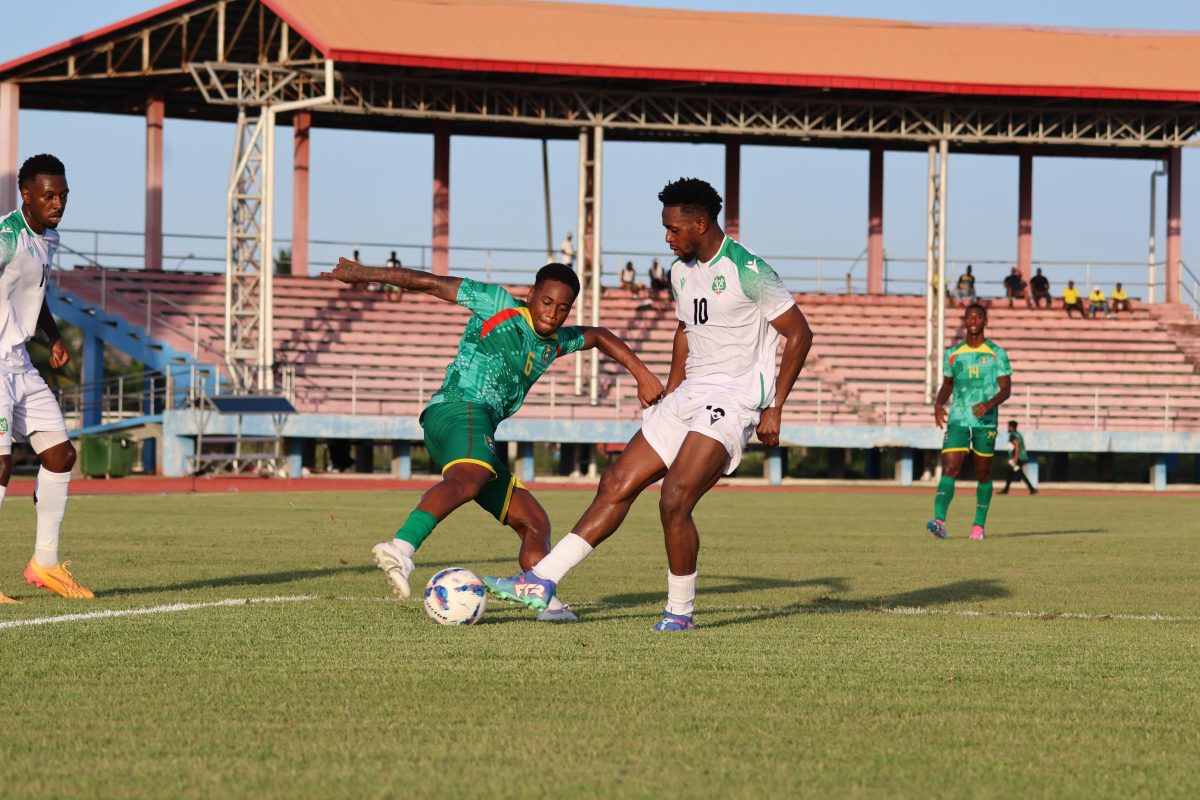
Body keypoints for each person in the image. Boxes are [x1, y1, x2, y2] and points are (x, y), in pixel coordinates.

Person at [484, 177, 814, 631]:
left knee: (674, 497)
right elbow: (686, 333)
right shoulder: (681, 273)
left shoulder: (748, 270)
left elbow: (799, 333)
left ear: (700, 224)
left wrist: (775, 405)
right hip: (690, 394)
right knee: (616, 481)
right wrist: (670, 395)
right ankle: (541, 580)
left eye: (674, 229)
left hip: (733, 400)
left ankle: (679, 613)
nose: (667, 237)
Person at [321, 258, 664, 623]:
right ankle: (401, 547)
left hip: (469, 428)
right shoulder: (498, 303)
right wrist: (364, 274)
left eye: (563, 308)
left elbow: (598, 336)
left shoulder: (555, 342)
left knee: (534, 522)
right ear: (531, 295)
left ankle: (542, 597)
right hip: (459, 409)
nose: (553, 314)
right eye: (546, 302)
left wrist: (641, 373)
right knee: (469, 480)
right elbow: (432, 283)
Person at [0, 154, 91, 604]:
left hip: (18, 361)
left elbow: (36, 292)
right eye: (49, 195)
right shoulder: (5, 235)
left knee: (59, 454)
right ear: (26, 195)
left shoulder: (47, 238)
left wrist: (52, 336)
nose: (58, 203)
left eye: (63, 196)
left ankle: (46, 563)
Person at [927, 303, 1012, 541]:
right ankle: (939, 521)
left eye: (978, 316)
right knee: (950, 467)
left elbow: (1006, 389)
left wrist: (989, 404)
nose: (973, 319)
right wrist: (938, 404)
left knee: (982, 473)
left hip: (986, 422)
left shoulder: (997, 353)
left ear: (986, 322)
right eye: (969, 316)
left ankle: (978, 526)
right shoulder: (952, 354)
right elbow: (948, 384)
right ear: (965, 321)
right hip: (959, 419)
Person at [999, 420, 1037, 495]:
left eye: (1009, 426)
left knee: (1015, 473)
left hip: (1018, 458)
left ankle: (1031, 489)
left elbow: (1017, 447)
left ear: (1011, 427)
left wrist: (1015, 459)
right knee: (1013, 473)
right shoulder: (1018, 434)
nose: (1008, 428)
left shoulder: (1013, 435)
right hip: (1021, 457)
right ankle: (1031, 489)